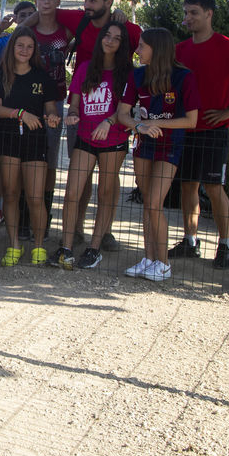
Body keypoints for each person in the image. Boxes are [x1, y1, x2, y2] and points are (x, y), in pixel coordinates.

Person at [169, 0, 229, 269]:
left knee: (214, 187)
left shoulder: (228, 47)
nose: (188, 18)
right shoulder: (180, 50)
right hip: (185, 129)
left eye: (193, 12)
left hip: (214, 130)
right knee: (187, 186)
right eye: (186, 12)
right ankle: (190, 240)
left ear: (209, 14)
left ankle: (224, 243)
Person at [116, 28, 200, 282]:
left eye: (142, 46)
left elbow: (191, 120)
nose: (137, 50)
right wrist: (139, 126)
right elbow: (123, 114)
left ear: (157, 48)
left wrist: (157, 124)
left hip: (170, 147)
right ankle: (149, 258)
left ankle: (163, 264)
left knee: (154, 203)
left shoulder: (184, 77)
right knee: (147, 204)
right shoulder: (137, 74)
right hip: (143, 145)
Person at [50, 22, 133, 270]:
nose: (110, 40)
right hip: (85, 138)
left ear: (122, 44)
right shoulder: (85, 68)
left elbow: (124, 110)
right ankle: (66, 246)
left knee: (106, 194)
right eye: (107, 35)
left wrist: (109, 121)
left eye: (116, 38)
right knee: (72, 192)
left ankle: (94, 248)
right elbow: (74, 103)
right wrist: (73, 114)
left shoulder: (127, 72)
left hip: (114, 141)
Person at [0, 27, 61, 266]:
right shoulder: (0, 76)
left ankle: (39, 245)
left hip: (35, 140)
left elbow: (50, 107)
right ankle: (14, 245)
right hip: (7, 139)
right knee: (10, 193)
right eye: (20, 46)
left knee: (36, 197)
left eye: (30, 47)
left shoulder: (42, 77)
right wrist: (20, 114)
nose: (25, 51)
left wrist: (52, 117)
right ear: (12, 48)